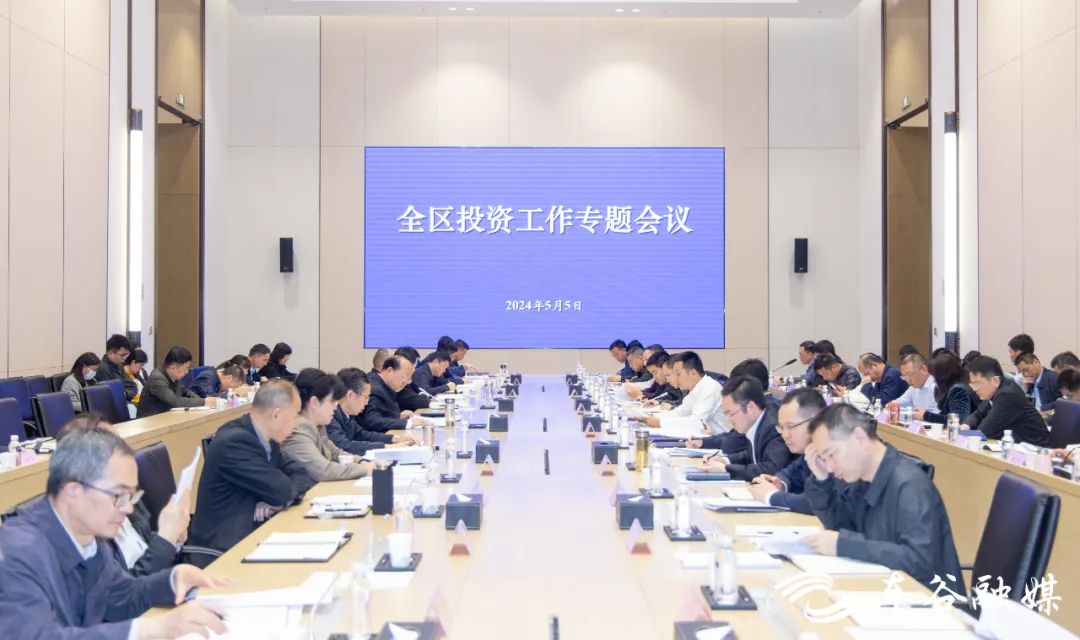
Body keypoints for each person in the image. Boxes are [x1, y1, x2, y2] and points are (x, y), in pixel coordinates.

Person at [0, 424, 230, 639]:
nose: (128, 508)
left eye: (131, 496)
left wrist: (172, 580)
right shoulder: (17, 551)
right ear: (72, 491)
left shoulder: (88, 535)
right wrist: (154, 628)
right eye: (119, 495)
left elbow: (120, 596)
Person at [802, 403, 964, 591]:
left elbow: (919, 561)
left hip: (929, 599)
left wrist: (844, 545)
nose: (830, 467)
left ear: (859, 438)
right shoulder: (864, 478)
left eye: (831, 454)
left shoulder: (910, 485)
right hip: (888, 589)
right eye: (824, 459)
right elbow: (843, 527)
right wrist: (821, 481)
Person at [188, 380, 316, 556]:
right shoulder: (234, 442)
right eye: (294, 417)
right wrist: (279, 499)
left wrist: (275, 502)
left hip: (253, 532)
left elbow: (302, 475)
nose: (295, 425)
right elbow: (282, 491)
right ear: (276, 415)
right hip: (224, 548)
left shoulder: (266, 438)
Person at [54, 414, 192, 577]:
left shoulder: (124, 491)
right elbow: (124, 589)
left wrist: (173, 540)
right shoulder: (79, 533)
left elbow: (144, 542)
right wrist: (165, 541)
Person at [281, 369, 376, 483]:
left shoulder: (318, 425)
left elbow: (336, 453)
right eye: (332, 402)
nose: (335, 407)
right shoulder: (297, 431)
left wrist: (361, 461)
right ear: (314, 402)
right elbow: (324, 471)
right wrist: (364, 469)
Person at [692, 376, 792, 480]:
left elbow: (772, 469)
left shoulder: (773, 428)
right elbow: (751, 455)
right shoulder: (758, 423)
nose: (730, 420)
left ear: (750, 407)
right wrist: (725, 460)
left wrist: (727, 469)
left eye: (731, 414)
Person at [748, 388, 828, 514]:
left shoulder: (833, 454)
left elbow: (820, 502)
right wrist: (779, 483)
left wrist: (772, 496)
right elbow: (790, 473)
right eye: (781, 428)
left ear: (816, 423)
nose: (785, 435)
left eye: (790, 426)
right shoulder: (809, 451)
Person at [964, 356, 1050, 446]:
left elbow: (984, 432)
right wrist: (966, 425)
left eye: (977, 383)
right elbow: (977, 414)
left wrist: (962, 434)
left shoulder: (1007, 394)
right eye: (972, 384)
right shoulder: (996, 391)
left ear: (995, 381)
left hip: (1036, 449)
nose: (974, 389)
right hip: (1018, 447)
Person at [328, 368, 417, 455]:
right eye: (366, 397)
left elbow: (362, 434)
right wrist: (385, 447)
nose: (367, 402)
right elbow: (344, 446)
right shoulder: (330, 415)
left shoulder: (348, 413)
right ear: (351, 395)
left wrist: (394, 438)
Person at [642, 352, 725, 436]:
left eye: (678, 374)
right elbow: (679, 412)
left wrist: (661, 422)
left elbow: (696, 423)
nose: (676, 378)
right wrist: (652, 417)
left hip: (717, 441)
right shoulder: (695, 389)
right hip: (702, 439)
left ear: (693, 373)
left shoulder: (709, 388)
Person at [136, 347, 214, 418]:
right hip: (149, 422)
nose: (187, 371)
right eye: (186, 368)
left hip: (165, 418)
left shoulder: (174, 376)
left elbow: (186, 391)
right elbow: (174, 401)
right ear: (173, 368)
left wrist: (203, 401)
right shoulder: (157, 379)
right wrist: (204, 402)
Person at [361, 356, 434, 433]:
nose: (405, 382)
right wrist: (407, 423)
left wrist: (398, 416)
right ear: (389, 370)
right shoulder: (374, 389)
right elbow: (373, 421)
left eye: (408, 379)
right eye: (404, 376)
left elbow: (381, 415)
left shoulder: (385, 385)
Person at [917, 351, 977, 424]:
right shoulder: (953, 386)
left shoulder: (958, 390)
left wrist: (926, 416)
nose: (933, 380)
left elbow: (957, 419)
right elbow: (945, 414)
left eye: (935, 376)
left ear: (942, 377)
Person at [97, 333, 136, 401]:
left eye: (127, 355)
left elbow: (132, 386)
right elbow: (110, 394)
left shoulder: (119, 366)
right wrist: (123, 394)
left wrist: (125, 394)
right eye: (122, 355)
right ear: (110, 353)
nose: (125, 358)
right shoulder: (101, 368)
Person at [393, 347, 432, 411]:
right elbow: (424, 402)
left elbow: (420, 391)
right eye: (413, 367)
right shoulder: (400, 387)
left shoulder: (408, 382)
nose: (414, 370)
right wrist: (422, 395)